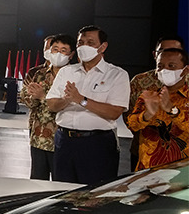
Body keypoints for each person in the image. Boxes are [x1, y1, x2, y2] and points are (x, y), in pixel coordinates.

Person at [46, 25, 130, 184]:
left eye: (90, 42)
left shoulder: (117, 74)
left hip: (97, 145)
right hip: (65, 141)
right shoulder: (67, 72)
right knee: (62, 192)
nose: (84, 46)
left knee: (94, 197)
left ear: (103, 46)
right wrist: (67, 99)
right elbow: (51, 104)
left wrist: (81, 100)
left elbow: (114, 112)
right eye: (80, 43)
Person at [123, 34, 185, 171]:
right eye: (161, 66)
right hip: (147, 164)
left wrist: (172, 110)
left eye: (171, 65)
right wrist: (147, 115)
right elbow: (131, 123)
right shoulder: (146, 91)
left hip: (182, 163)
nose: (165, 70)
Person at [20, 34, 75, 180]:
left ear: (71, 55)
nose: (58, 53)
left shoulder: (74, 75)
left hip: (61, 140)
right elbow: (28, 102)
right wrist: (33, 97)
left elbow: (70, 105)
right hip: (38, 137)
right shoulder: (39, 74)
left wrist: (43, 97)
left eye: (63, 50)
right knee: (37, 182)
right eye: (55, 49)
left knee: (60, 182)